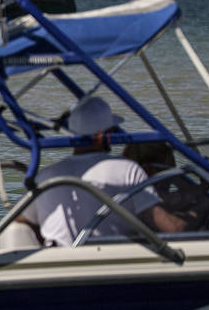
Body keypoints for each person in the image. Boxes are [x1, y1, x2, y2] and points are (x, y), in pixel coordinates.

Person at [20, 95, 174, 246]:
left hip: (55, 263)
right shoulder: (128, 169)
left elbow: (21, 222)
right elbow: (167, 227)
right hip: (109, 262)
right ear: (104, 135)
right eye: (112, 130)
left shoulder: (45, 176)